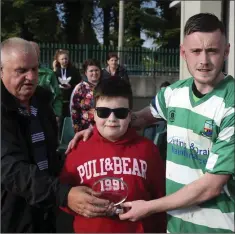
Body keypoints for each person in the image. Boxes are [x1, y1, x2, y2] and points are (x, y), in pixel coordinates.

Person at [66, 13, 235, 233]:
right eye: (196, 51)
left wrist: (150, 207)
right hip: (175, 225)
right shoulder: (172, 94)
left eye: (212, 50)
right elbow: (139, 118)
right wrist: (101, 124)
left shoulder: (231, 105)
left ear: (226, 51)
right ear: (183, 52)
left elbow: (211, 186)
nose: (203, 60)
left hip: (216, 227)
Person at [1, 37, 110, 233]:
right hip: (12, 218)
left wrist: (82, 149)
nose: (31, 77)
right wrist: (63, 194)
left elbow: (49, 157)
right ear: (1, 71)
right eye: (21, 70)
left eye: (35, 69)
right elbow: (12, 170)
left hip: (46, 215)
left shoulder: (42, 103)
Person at [60, 78, 166, 233]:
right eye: (103, 112)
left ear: (130, 115)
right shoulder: (78, 149)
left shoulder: (148, 150)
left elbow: (159, 200)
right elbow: (64, 197)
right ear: (94, 115)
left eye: (120, 113)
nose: (112, 119)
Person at [30, 41, 62, 124]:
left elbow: (57, 96)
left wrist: (57, 115)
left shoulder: (49, 74)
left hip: (45, 117)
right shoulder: (17, 73)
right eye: (30, 50)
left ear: (39, 53)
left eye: (35, 51)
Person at [70, 59, 102, 132]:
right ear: (86, 73)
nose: (94, 73)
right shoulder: (80, 88)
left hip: (102, 129)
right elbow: (74, 110)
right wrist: (77, 130)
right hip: (85, 129)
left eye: (96, 70)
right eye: (91, 71)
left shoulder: (106, 86)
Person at [53, 49, 81, 118]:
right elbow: (52, 83)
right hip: (59, 99)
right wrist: (54, 69)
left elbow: (79, 83)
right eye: (62, 59)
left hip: (70, 98)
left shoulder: (74, 70)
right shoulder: (56, 71)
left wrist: (71, 86)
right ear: (58, 60)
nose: (64, 60)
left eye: (66, 58)